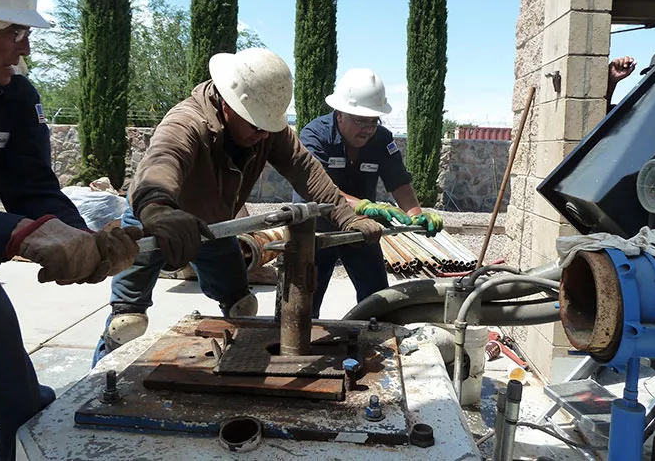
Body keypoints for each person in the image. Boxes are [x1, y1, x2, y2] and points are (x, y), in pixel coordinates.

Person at [91, 48, 385, 366]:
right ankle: (97, 385)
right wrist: (159, 209)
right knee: (127, 324)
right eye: (255, 125)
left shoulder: (267, 131)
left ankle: (239, 368)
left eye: (267, 127)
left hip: (216, 226)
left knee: (241, 306)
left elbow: (306, 169)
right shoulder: (187, 122)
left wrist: (344, 217)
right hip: (154, 218)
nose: (261, 134)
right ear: (228, 101)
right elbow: (162, 161)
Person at [0, 0, 142, 461]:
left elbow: (33, 187)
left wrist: (85, 238)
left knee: (22, 406)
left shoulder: (14, 97)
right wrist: (16, 233)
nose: (26, 46)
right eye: (16, 29)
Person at [292, 68, 444, 318]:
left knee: (378, 301)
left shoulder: (383, 139)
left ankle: (374, 346)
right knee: (303, 304)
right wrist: (362, 206)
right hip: (315, 231)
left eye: (373, 121)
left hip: (363, 229)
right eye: (360, 121)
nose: (367, 129)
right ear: (339, 114)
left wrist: (416, 214)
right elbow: (316, 188)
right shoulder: (314, 135)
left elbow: (399, 183)